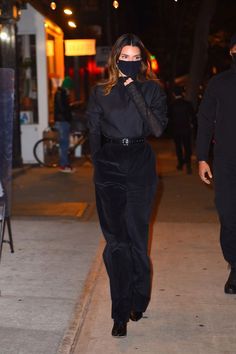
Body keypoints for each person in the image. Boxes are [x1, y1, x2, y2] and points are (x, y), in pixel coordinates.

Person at [86, 33, 168, 337]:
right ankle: (119, 312)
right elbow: (93, 131)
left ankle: (139, 298)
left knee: (136, 239)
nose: (130, 63)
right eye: (125, 58)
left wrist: (133, 89)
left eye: (136, 58)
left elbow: (157, 128)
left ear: (143, 61)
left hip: (140, 165)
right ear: (115, 59)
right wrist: (99, 164)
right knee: (116, 243)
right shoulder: (99, 92)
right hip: (109, 167)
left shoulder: (152, 89)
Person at [196, 33, 236, 294]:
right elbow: (205, 119)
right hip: (225, 161)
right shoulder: (218, 83)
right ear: (232, 50)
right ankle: (234, 264)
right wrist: (201, 157)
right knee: (228, 215)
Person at [169, 86, 196, 174]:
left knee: (178, 147)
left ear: (173, 94)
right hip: (186, 129)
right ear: (182, 93)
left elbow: (169, 118)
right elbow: (193, 117)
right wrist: (192, 124)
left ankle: (180, 163)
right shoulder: (187, 104)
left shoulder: (172, 105)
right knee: (187, 147)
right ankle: (188, 165)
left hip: (176, 129)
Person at [54, 76, 75, 173]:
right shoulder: (61, 94)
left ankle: (65, 164)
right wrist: (69, 115)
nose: (70, 90)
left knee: (64, 144)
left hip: (62, 121)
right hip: (63, 122)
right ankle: (63, 165)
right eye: (69, 88)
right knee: (64, 145)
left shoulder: (60, 93)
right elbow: (63, 109)